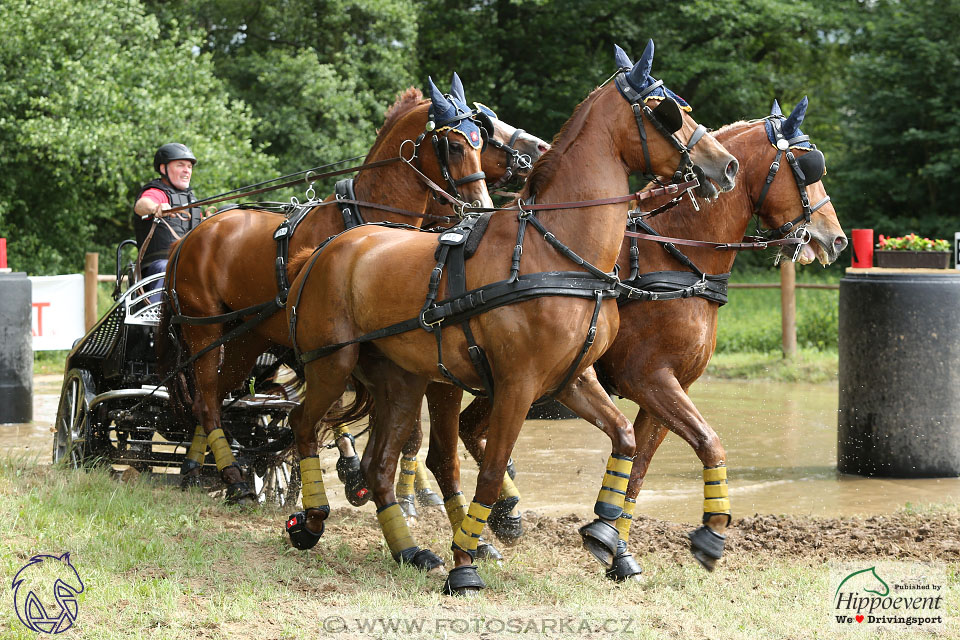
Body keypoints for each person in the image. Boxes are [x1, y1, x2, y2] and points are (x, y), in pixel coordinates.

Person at [132, 143, 205, 297]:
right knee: (166, 268)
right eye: (180, 165)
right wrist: (156, 207)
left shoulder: (192, 201)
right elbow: (141, 205)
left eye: (189, 167)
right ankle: (157, 311)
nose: (187, 170)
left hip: (189, 264)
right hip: (158, 265)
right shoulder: (157, 192)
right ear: (163, 169)